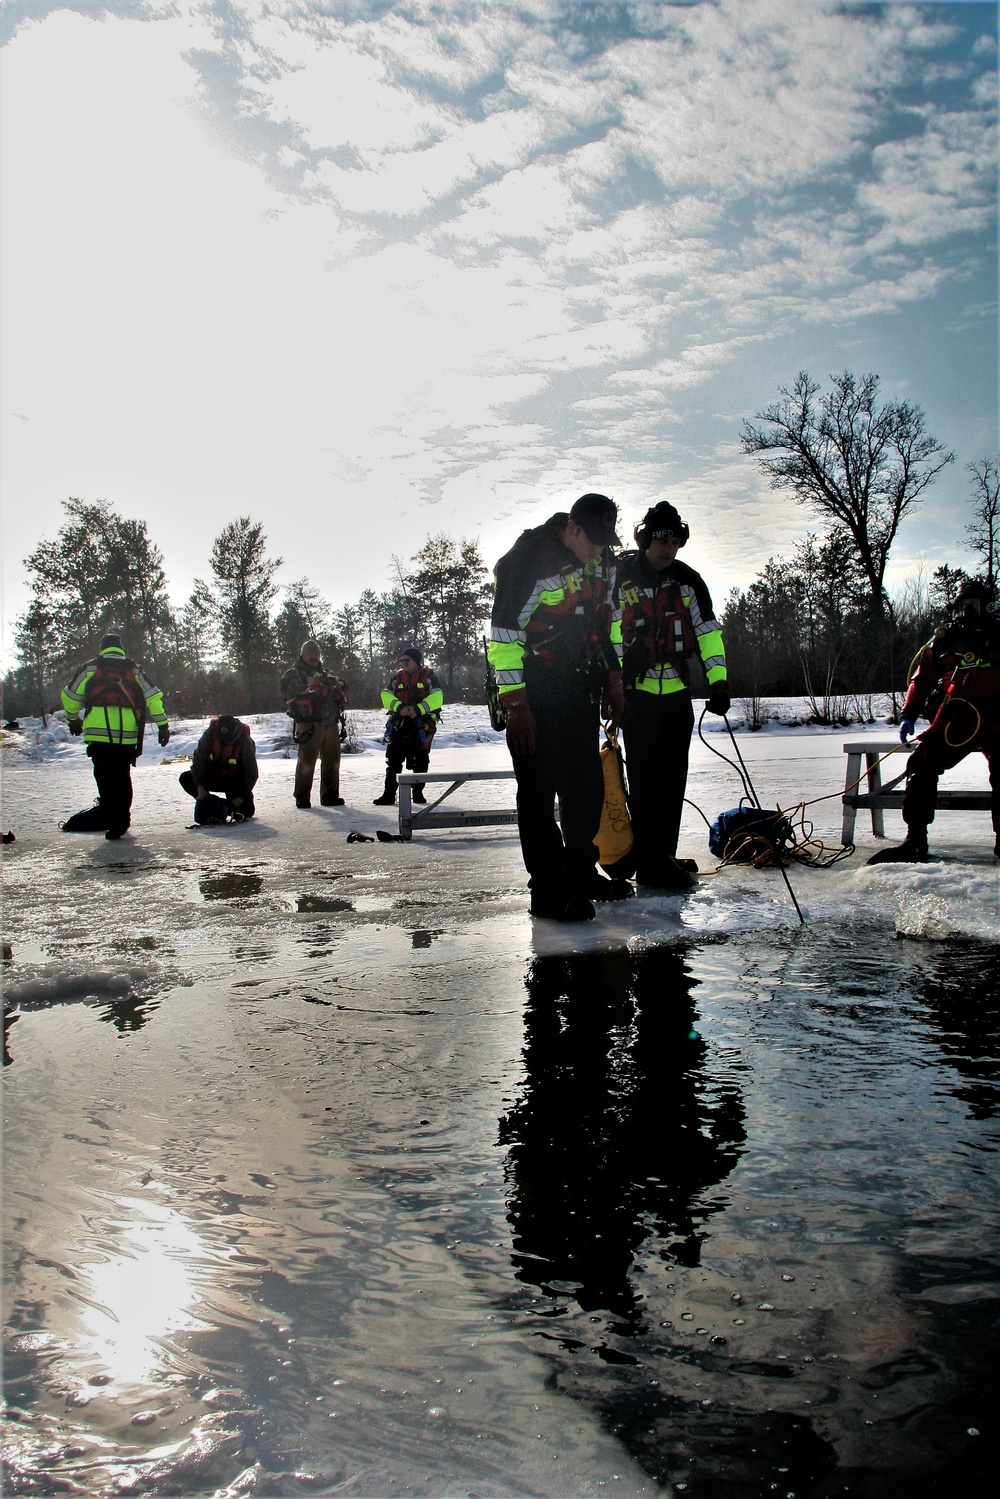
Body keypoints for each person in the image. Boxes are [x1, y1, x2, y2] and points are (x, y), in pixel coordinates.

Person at [489, 492, 632, 922]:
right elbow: (504, 637)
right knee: (537, 793)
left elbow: (611, 624)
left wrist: (614, 679)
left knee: (583, 788)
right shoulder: (528, 559)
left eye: (607, 540)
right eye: (593, 539)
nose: (599, 549)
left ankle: (581, 873)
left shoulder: (605, 562)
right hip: (533, 691)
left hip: (579, 688)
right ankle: (548, 890)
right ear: (572, 526)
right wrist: (516, 706)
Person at [616, 501, 730, 890]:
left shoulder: (688, 581)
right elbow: (608, 634)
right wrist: (611, 685)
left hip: (677, 697)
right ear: (646, 540)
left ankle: (662, 855)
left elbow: (708, 633)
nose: (668, 548)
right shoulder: (622, 578)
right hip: (637, 700)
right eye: (661, 540)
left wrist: (719, 682)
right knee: (645, 783)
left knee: (672, 783)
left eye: (675, 541)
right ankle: (649, 862)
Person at [868, 578, 1000, 864]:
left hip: (996, 720)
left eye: (972, 607)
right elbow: (922, 679)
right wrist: (909, 714)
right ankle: (915, 839)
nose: (965, 613)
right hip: (955, 719)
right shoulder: (943, 641)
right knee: (920, 763)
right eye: (960, 607)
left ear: (986, 607)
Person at [61, 633, 170, 840]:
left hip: (98, 737)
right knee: (122, 776)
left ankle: (112, 819)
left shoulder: (91, 667)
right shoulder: (133, 669)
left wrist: (72, 718)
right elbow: (153, 696)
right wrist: (162, 724)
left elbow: (70, 696)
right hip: (126, 737)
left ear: (102, 648)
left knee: (104, 777)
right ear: (121, 648)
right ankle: (122, 820)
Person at [279, 640, 347, 809]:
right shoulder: (294, 673)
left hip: (330, 723)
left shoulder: (326, 672)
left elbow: (343, 685)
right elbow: (286, 689)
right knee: (306, 761)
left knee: (332, 760)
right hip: (308, 725)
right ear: (302, 654)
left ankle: (330, 795)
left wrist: (337, 683)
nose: (314, 657)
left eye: (316, 654)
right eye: (310, 653)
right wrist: (307, 682)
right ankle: (302, 797)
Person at [373, 646, 443, 806]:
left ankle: (418, 794)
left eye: (407, 660)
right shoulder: (397, 678)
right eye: (402, 660)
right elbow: (385, 695)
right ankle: (389, 795)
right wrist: (400, 708)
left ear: (417, 662)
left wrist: (417, 710)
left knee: (421, 761)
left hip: (422, 726)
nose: (403, 663)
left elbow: (438, 696)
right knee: (393, 761)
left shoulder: (429, 677)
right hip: (400, 724)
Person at [179, 715, 258, 824]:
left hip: (234, 782)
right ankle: (215, 804)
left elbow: (252, 773)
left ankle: (225, 807)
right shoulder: (209, 735)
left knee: (247, 812)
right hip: (212, 777)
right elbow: (198, 761)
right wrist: (200, 786)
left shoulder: (246, 742)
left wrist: (241, 795)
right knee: (185, 778)